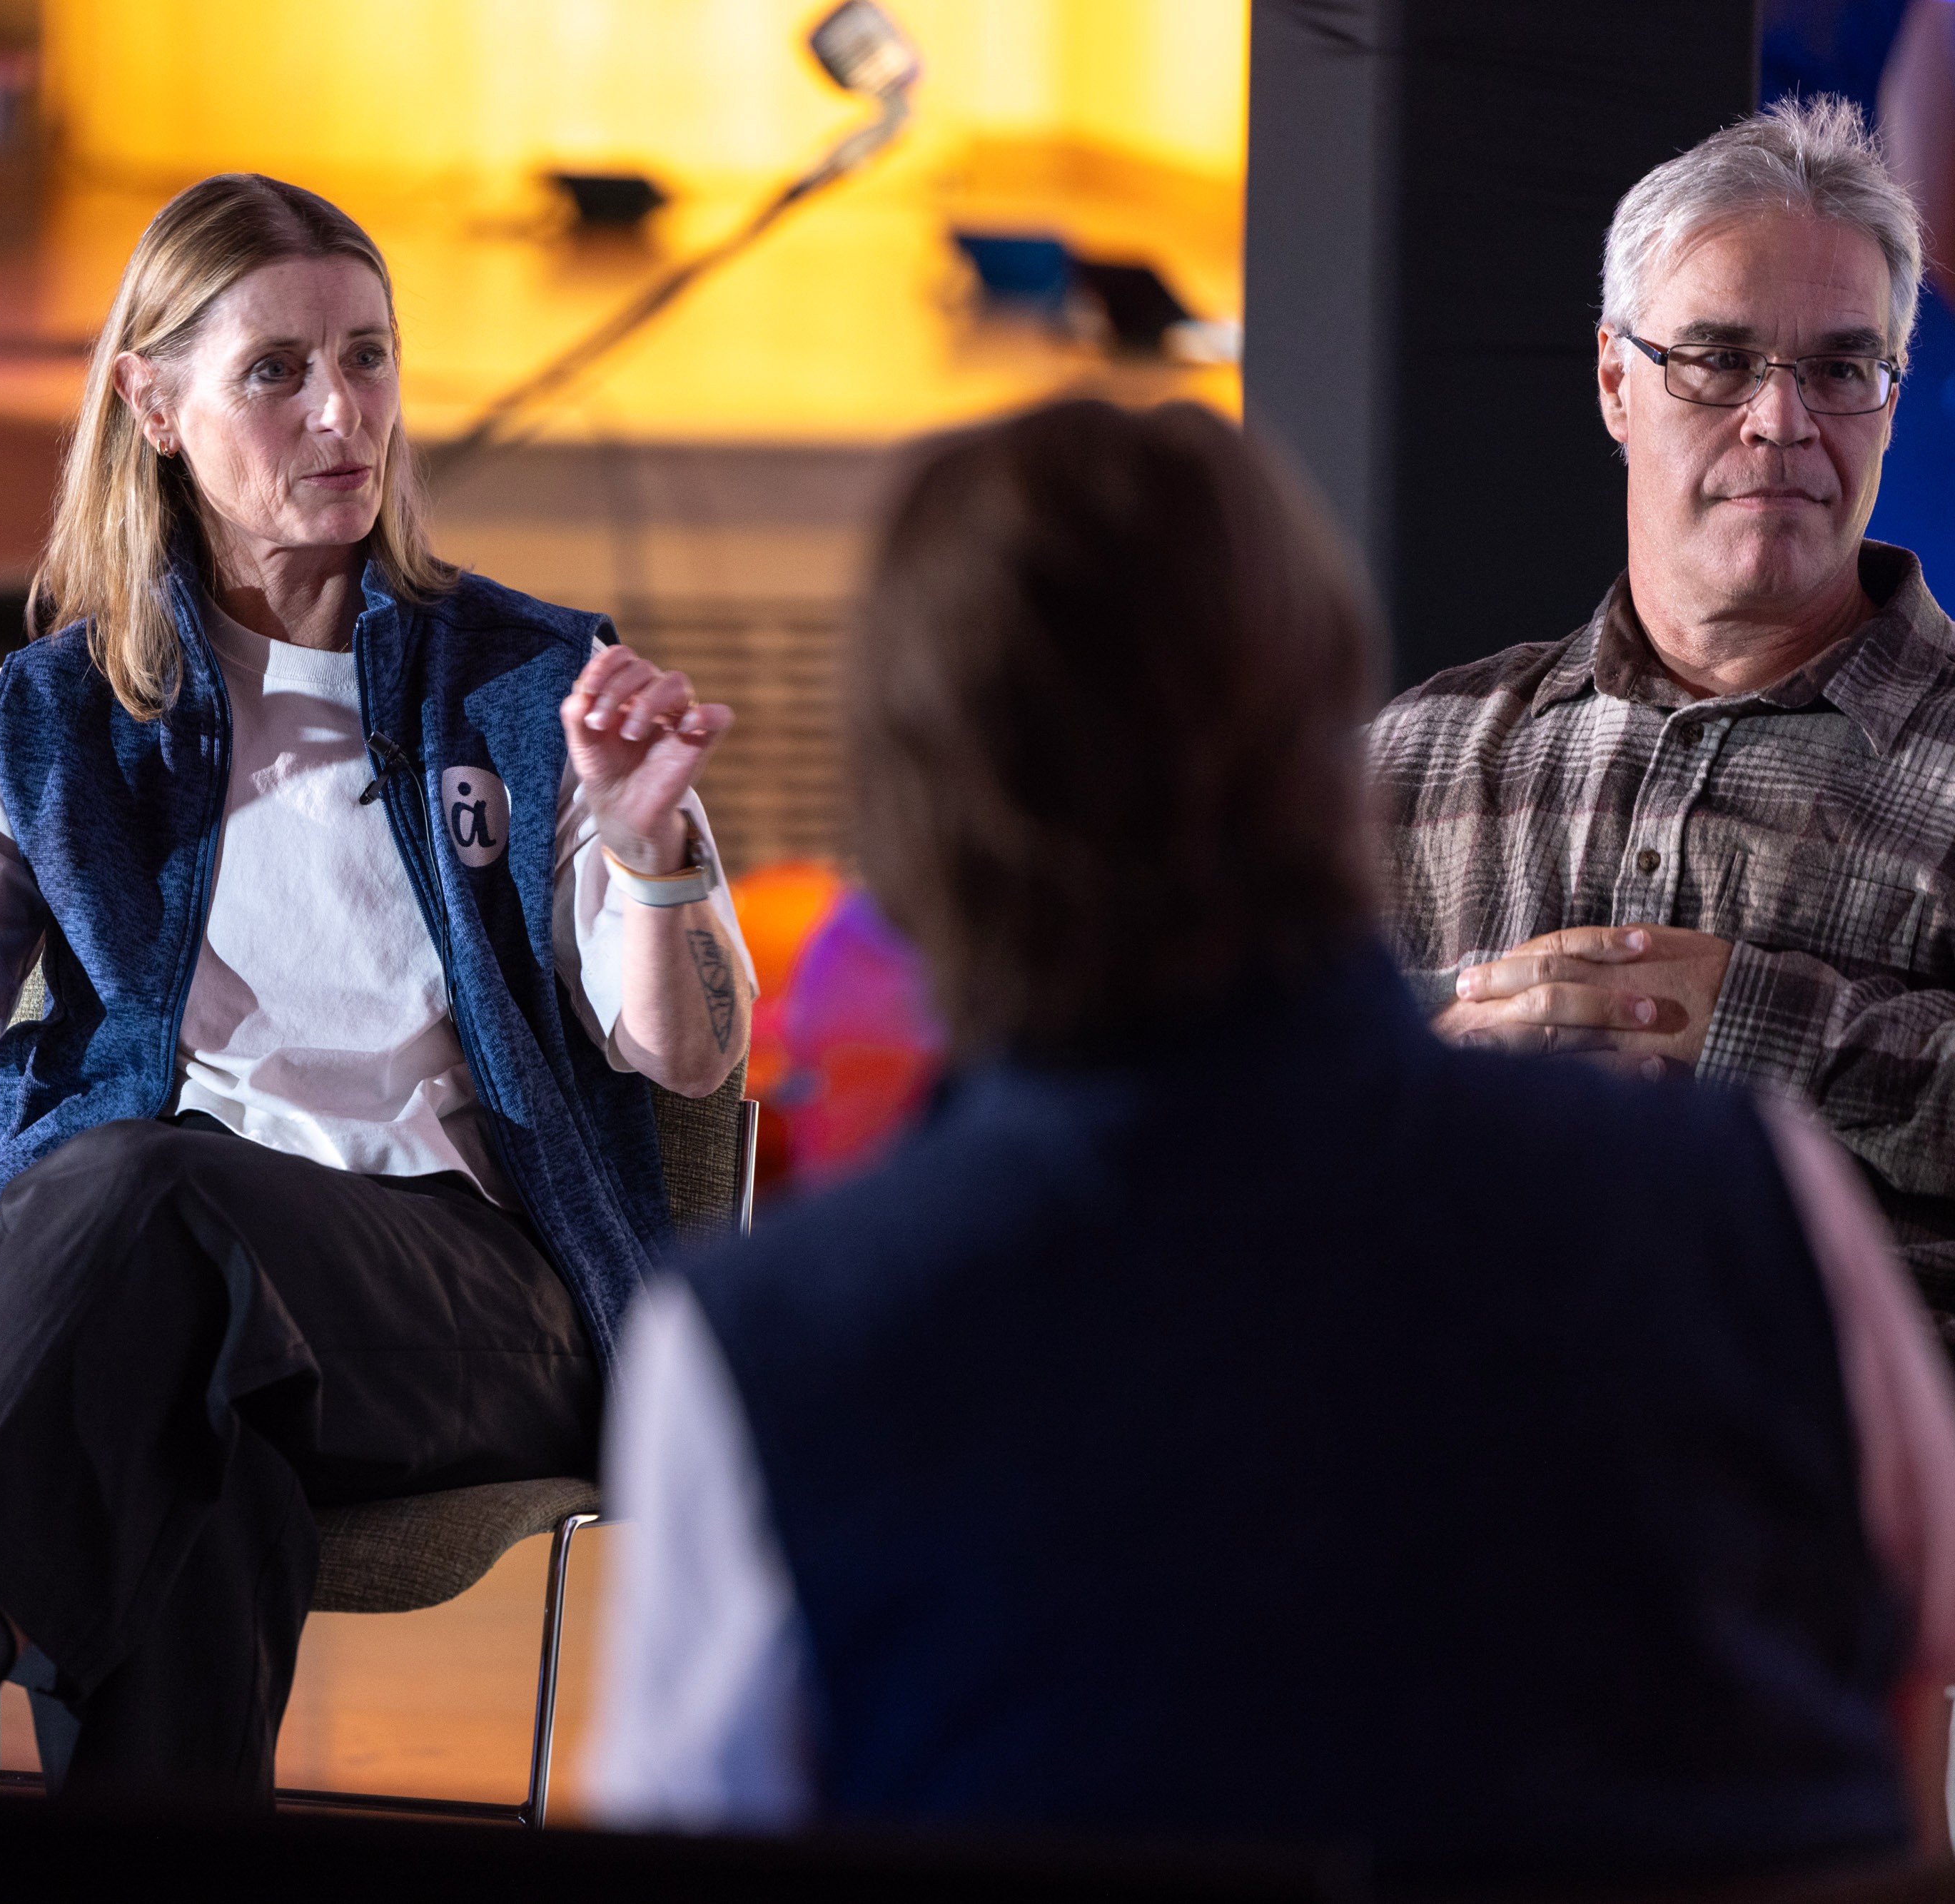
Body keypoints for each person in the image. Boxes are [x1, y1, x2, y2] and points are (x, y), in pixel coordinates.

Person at [583, 399, 1955, 1884]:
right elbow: (1898, 1724)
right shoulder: (1756, 1198)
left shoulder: (764, 1349)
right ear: (1333, 750)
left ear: (912, 821)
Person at [0, 173, 752, 1800]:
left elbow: (686, 1063)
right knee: (190, 1458)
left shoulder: (530, 685)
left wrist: (650, 843)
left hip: (464, 1305)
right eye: (275, 370)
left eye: (369, 360)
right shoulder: (56, 713)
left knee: (137, 1185)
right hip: (159, 1307)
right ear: (154, 400)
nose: (341, 413)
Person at [1372, 96, 1955, 1330]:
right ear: (1613, 382)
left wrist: (1758, 1022)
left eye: (1842, 368)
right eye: (1719, 358)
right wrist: (1428, 1056)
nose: (1781, 421)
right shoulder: (1411, 765)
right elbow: (1227, 1097)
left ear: (1894, 400)